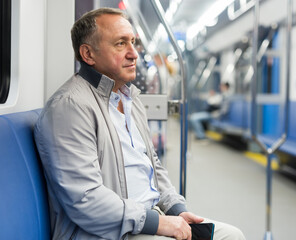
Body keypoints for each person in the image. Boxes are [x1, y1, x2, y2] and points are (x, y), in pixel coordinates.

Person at [34, 8, 245, 240]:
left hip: (148, 217)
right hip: (110, 232)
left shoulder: (129, 98)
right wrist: (157, 223)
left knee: (233, 235)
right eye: (120, 43)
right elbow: (86, 199)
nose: (134, 53)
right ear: (88, 54)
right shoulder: (70, 107)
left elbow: (152, 164)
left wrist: (176, 209)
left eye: (133, 42)